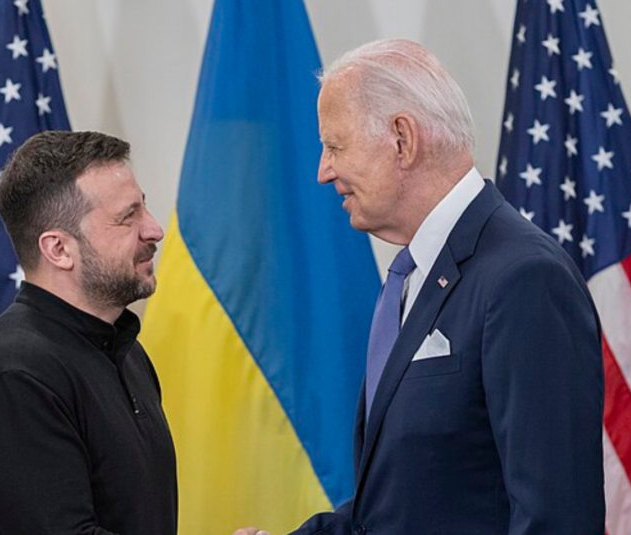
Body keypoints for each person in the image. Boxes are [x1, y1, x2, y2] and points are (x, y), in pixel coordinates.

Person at [237, 39, 604, 535]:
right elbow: (404, 506)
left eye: (335, 146)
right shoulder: (415, 276)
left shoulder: (523, 279)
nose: (323, 171)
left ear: (402, 140)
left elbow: (556, 519)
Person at [0, 131, 176, 535]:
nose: (154, 230)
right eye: (128, 217)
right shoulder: (16, 376)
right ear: (58, 249)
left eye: (145, 208)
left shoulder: (127, 353)